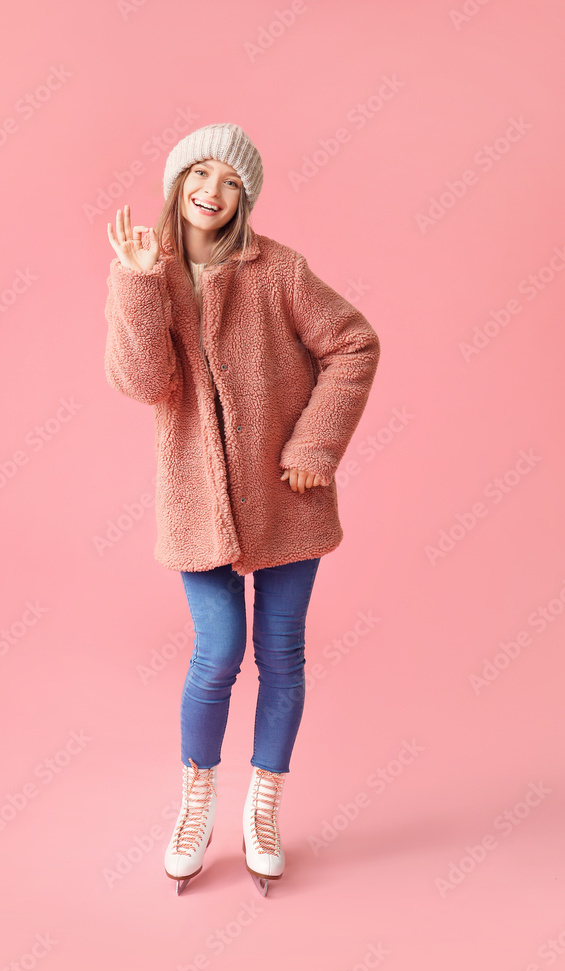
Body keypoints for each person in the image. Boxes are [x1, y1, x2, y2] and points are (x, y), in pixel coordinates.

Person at [104, 123, 381, 895]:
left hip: (287, 500)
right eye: (198, 174)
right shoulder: (146, 270)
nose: (211, 191)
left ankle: (264, 805)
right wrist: (135, 285)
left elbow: (353, 344)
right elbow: (143, 382)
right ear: (176, 183)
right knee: (217, 650)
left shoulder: (279, 270)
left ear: (244, 197)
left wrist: (312, 448)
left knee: (281, 654)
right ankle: (196, 801)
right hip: (197, 503)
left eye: (229, 181)